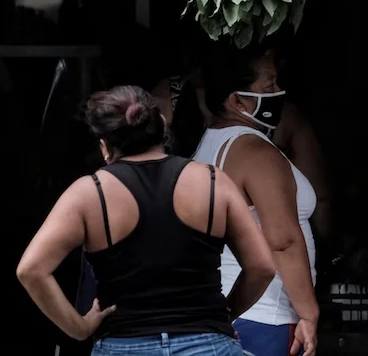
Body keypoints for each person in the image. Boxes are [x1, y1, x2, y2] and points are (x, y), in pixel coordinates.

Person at [16, 85, 274, 355]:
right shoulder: (212, 181)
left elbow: (31, 270)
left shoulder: (90, 194)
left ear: (104, 146)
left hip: (123, 344)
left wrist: (79, 328)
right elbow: (262, 267)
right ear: (162, 126)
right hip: (208, 343)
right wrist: (223, 314)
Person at [193, 45, 319, 356]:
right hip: (263, 315)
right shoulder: (255, 152)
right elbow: (283, 241)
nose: (279, 93)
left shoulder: (213, 141)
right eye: (270, 85)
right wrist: (308, 313)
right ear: (236, 100)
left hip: (226, 309)